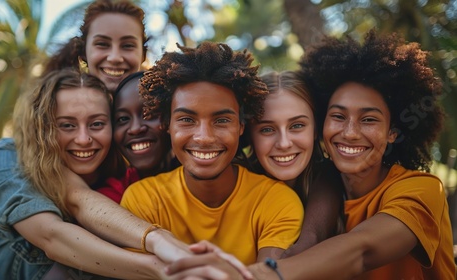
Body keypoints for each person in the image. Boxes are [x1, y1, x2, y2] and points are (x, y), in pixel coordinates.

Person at [165, 30, 456, 279]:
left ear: (393, 131)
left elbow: (361, 250)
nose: (351, 132)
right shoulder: (258, 190)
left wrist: (254, 275)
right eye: (338, 116)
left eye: (369, 119)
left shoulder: (420, 190)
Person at [0, 1, 191, 279]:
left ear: (142, 54)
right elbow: (65, 222)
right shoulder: (14, 154)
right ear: (84, 53)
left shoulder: (136, 150)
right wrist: (167, 264)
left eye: (97, 124)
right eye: (103, 44)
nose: (115, 57)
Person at [121, 41, 304, 265]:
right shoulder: (143, 200)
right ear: (168, 125)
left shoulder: (276, 201)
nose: (204, 137)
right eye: (187, 120)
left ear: (241, 127)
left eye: (222, 120)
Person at [244, 71, 343, 257]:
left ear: (315, 129)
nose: (284, 143)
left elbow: (309, 241)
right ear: (250, 135)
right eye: (266, 129)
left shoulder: (328, 177)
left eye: (297, 126)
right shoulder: (237, 183)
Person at [97, 71, 175, 203]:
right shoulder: (110, 197)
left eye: (148, 114)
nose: (135, 128)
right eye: (122, 118)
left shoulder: (206, 182)